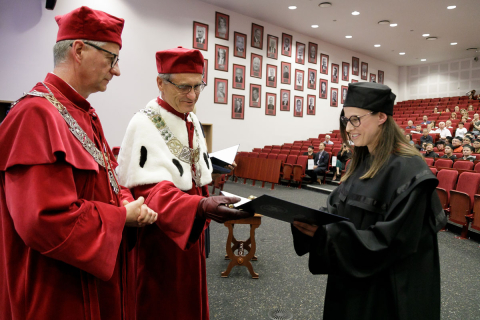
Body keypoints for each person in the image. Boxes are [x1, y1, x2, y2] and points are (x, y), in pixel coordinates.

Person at [0, 6, 159, 320]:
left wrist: (130, 204)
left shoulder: (84, 113)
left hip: (90, 275)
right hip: (57, 287)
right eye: (112, 58)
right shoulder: (36, 114)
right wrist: (119, 218)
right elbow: (42, 221)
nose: (117, 71)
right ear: (79, 50)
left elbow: (109, 179)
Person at [116, 47, 252, 320]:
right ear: (160, 83)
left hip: (192, 228)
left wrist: (210, 169)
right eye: (183, 87)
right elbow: (150, 192)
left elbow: (185, 164)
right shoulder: (144, 123)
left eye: (197, 86)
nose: (192, 96)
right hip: (164, 234)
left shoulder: (191, 118)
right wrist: (200, 206)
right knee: (165, 303)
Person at [291, 82, 445, 320]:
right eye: (345, 120)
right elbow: (336, 206)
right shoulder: (361, 161)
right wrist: (312, 222)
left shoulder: (409, 169)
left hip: (385, 290)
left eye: (355, 119)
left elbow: (394, 241)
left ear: (382, 116)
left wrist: (330, 236)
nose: (349, 127)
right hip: (351, 278)